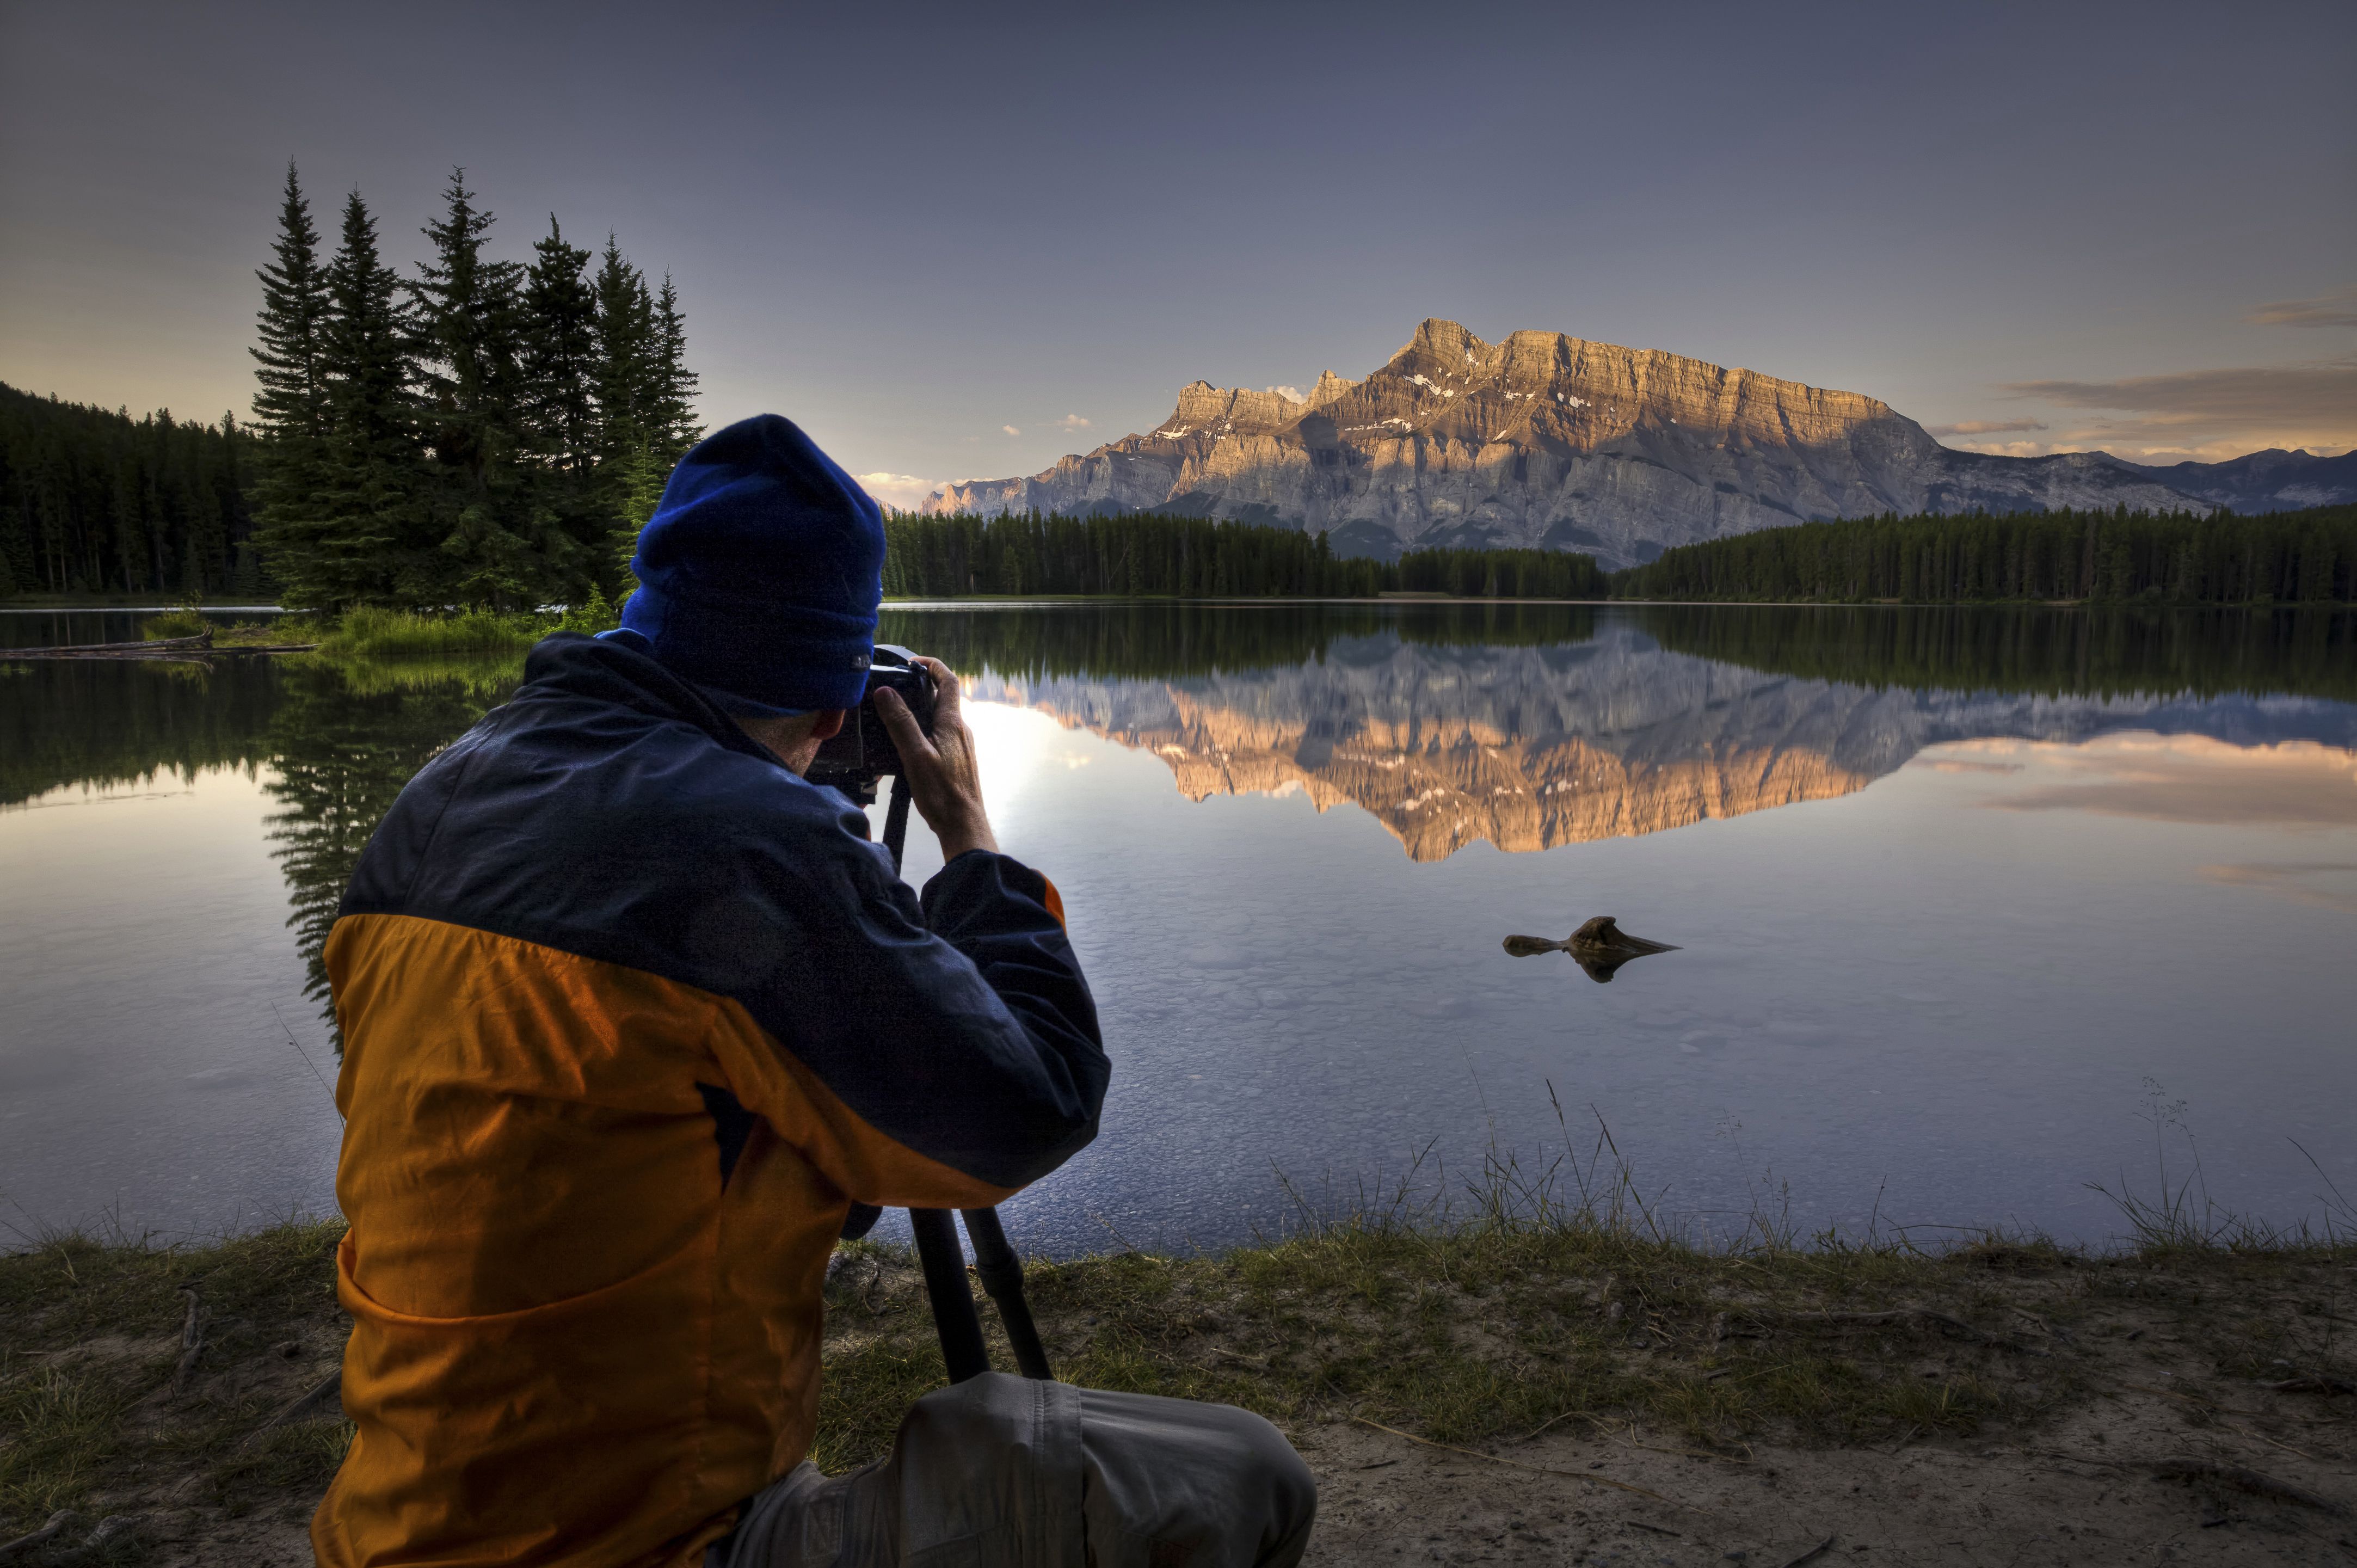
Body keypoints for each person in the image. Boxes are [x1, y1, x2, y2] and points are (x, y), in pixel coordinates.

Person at [310, 415, 1316, 1568]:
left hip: (396, 1533)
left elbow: (646, 1128)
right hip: (657, 1545)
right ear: (842, 708)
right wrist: (970, 843)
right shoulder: (748, 846)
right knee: (1243, 1484)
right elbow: (1031, 1105)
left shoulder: (437, 804)